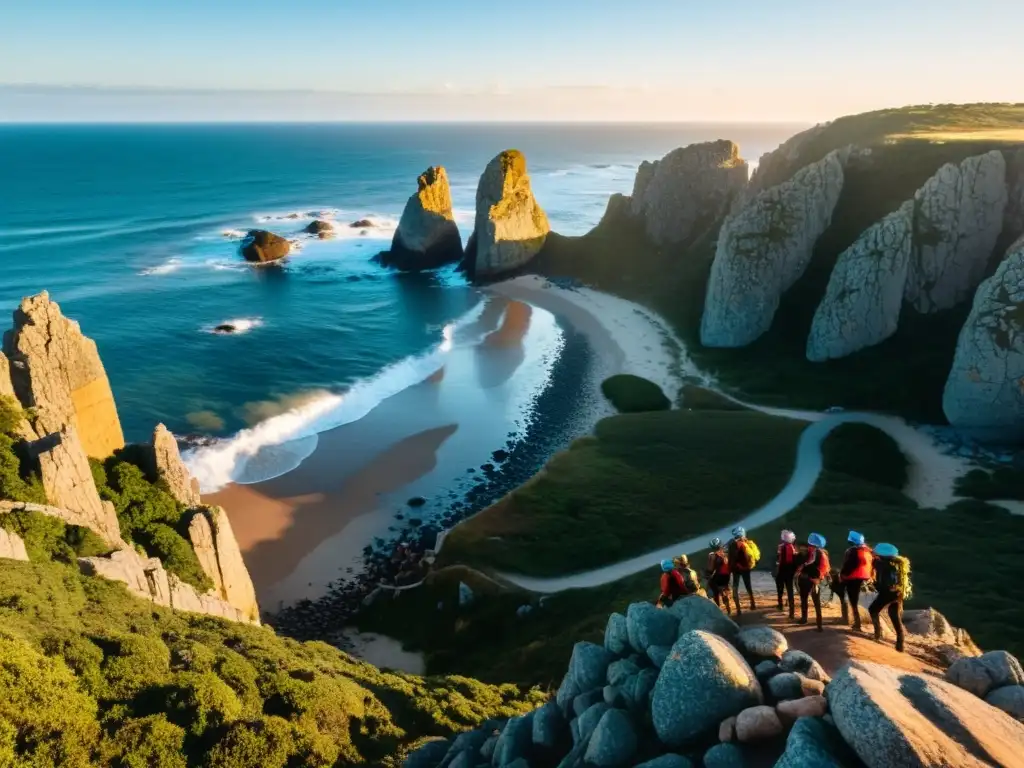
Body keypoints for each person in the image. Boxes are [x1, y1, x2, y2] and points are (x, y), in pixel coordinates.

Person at [869, 543, 910, 652]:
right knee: (894, 616)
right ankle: (900, 643)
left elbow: (884, 582)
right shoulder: (896, 564)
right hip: (897, 593)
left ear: (882, 556)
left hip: (887, 593)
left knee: (873, 610)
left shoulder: (883, 565)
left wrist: (875, 585)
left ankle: (877, 634)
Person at [838, 530, 874, 631]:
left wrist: (842, 575)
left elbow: (849, 565)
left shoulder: (852, 551)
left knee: (854, 602)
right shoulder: (868, 550)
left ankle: (857, 623)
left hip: (853, 579)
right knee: (861, 602)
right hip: (866, 578)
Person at [795, 533, 830, 631]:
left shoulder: (813, 552)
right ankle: (819, 625)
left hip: (806, 579)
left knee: (804, 599)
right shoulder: (823, 553)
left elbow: (808, 563)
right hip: (816, 580)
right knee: (816, 603)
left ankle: (804, 619)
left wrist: (803, 565)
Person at [727, 526, 760, 613]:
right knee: (748, 586)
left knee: (735, 587)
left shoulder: (733, 544)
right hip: (746, 568)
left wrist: (730, 568)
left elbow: (732, 557)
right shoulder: (747, 542)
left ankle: (738, 609)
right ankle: (753, 603)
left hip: (736, 568)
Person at [705, 538, 733, 614]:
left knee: (715, 593)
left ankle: (718, 609)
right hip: (726, 576)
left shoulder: (712, 555)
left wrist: (707, 575)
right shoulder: (725, 554)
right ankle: (728, 606)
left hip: (717, 577)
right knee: (725, 590)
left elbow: (710, 569)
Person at [775, 529, 798, 618]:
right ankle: (791, 612)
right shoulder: (792, 547)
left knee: (779, 588)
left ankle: (780, 605)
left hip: (782, 571)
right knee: (790, 591)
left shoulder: (781, 547)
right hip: (790, 572)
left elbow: (779, 559)